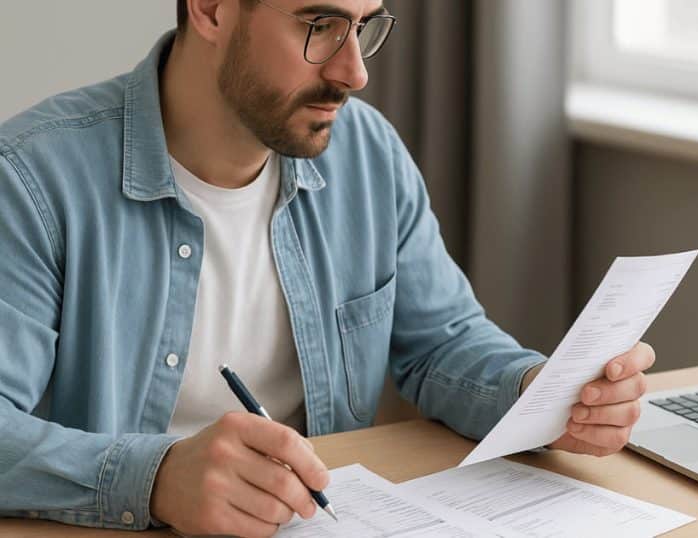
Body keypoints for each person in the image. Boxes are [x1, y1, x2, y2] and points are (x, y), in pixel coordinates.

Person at [0, 0, 656, 535]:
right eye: (319, 26)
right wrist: (158, 477)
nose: (354, 71)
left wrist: (541, 394)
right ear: (210, 9)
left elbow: (442, 343)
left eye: (364, 25)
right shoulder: (33, 179)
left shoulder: (366, 153)